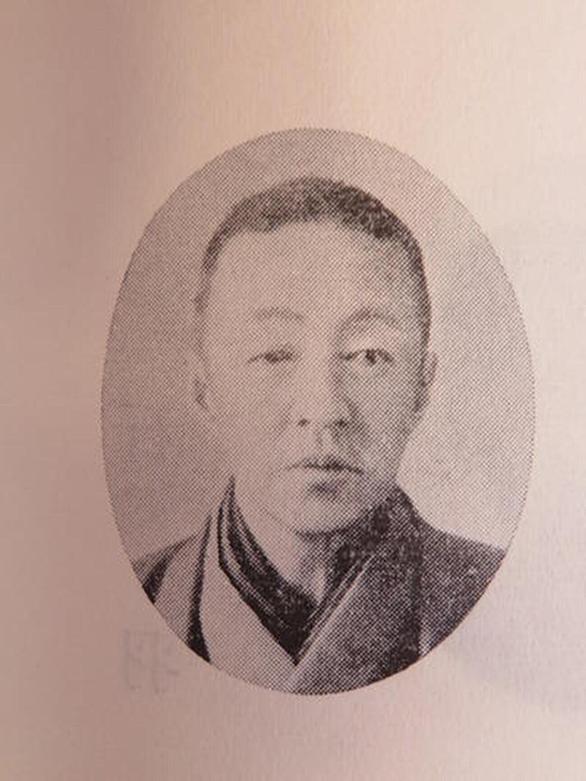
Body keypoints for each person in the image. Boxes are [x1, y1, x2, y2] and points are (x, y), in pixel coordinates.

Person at [133, 176, 504, 694]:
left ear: (421, 387)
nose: (324, 409)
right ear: (205, 388)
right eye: (273, 354)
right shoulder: (133, 598)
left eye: (369, 356)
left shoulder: (501, 598)